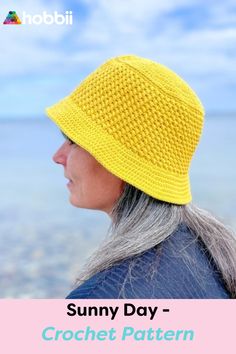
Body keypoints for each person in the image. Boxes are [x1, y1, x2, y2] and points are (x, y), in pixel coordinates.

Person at [46, 54, 236, 299]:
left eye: (73, 141)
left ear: (122, 161)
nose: (57, 156)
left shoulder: (105, 299)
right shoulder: (210, 250)